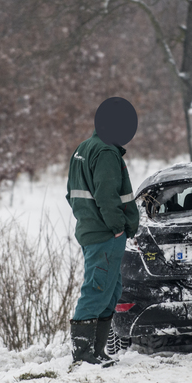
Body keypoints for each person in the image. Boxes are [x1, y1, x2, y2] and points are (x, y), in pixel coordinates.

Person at [65, 98, 141, 366]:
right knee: (97, 290)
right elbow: (107, 197)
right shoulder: (106, 152)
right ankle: (83, 354)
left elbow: (70, 194)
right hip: (106, 235)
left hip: (93, 231)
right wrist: (117, 228)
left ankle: (97, 351)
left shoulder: (83, 148)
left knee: (110, 290)